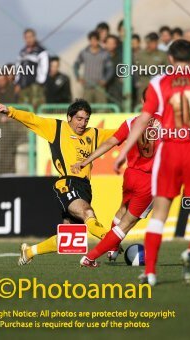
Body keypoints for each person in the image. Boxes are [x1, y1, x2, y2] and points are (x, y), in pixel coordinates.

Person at [114, 40, 190, 286]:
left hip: (169, 151)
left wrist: (122, 152)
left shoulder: (159, 82)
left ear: (170, 59)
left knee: (159, 213)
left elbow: (143, 120)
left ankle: (149, 273)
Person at [0, 99, 116, 265]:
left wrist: (143, 125)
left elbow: (119, 134)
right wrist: (10, 111)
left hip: (85, 187)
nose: (82, 123)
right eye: (79, 119)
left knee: (69, 239)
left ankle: (29, 252)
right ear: (69, 117)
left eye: (86, 119)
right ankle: (113, 242)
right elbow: (33, 119)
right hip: (67, 183)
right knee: (88, 213)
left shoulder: (93, 134)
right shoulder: (56, 127)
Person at [72, 90, 160, 267]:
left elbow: (110, 143)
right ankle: (90, 257)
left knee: (122, 210)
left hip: (130, 175)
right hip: (149, 181)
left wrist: (86, 161)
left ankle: (112, 250)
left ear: (142, 101)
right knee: (127, 223)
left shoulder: (131, 122)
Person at [73, 31, 113, 105]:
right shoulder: (84, 52)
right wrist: (78, 77)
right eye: (92, 40)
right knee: (86, 108)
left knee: (102, 109)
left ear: (98, 41)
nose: (94, 42)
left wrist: (105, 80)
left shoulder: (104, 53)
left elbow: (110, 69)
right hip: (87, 86)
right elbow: (76, 65)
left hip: (99, 87)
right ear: (89, 41)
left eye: (95, 40)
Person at [15, 28, 49, 110]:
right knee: (23, 110)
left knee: (36, 108)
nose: (28, 39)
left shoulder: (41, 51)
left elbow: (44, 68)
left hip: (35, 86)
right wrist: (17, 82)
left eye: (30, 37)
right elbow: (18, 68)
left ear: (34, 37)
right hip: (23, 86)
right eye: (26, 37)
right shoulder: (22, 52)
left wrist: (40, 82)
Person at [135, 32, 168, 100]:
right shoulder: (140, 55)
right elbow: (137, 69)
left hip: (159, 86)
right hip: (144, 86)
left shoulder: (162, 54)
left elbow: (169, 69)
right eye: (152, 42)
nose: (154, 44)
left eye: (155, 42)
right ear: (147, 43)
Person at [105, 35, 123, 108]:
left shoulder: (120, 57)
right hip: (104, 86)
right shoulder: (101, 56)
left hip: (116, 86)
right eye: (108, 43)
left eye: (112, 43)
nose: (110, 45)